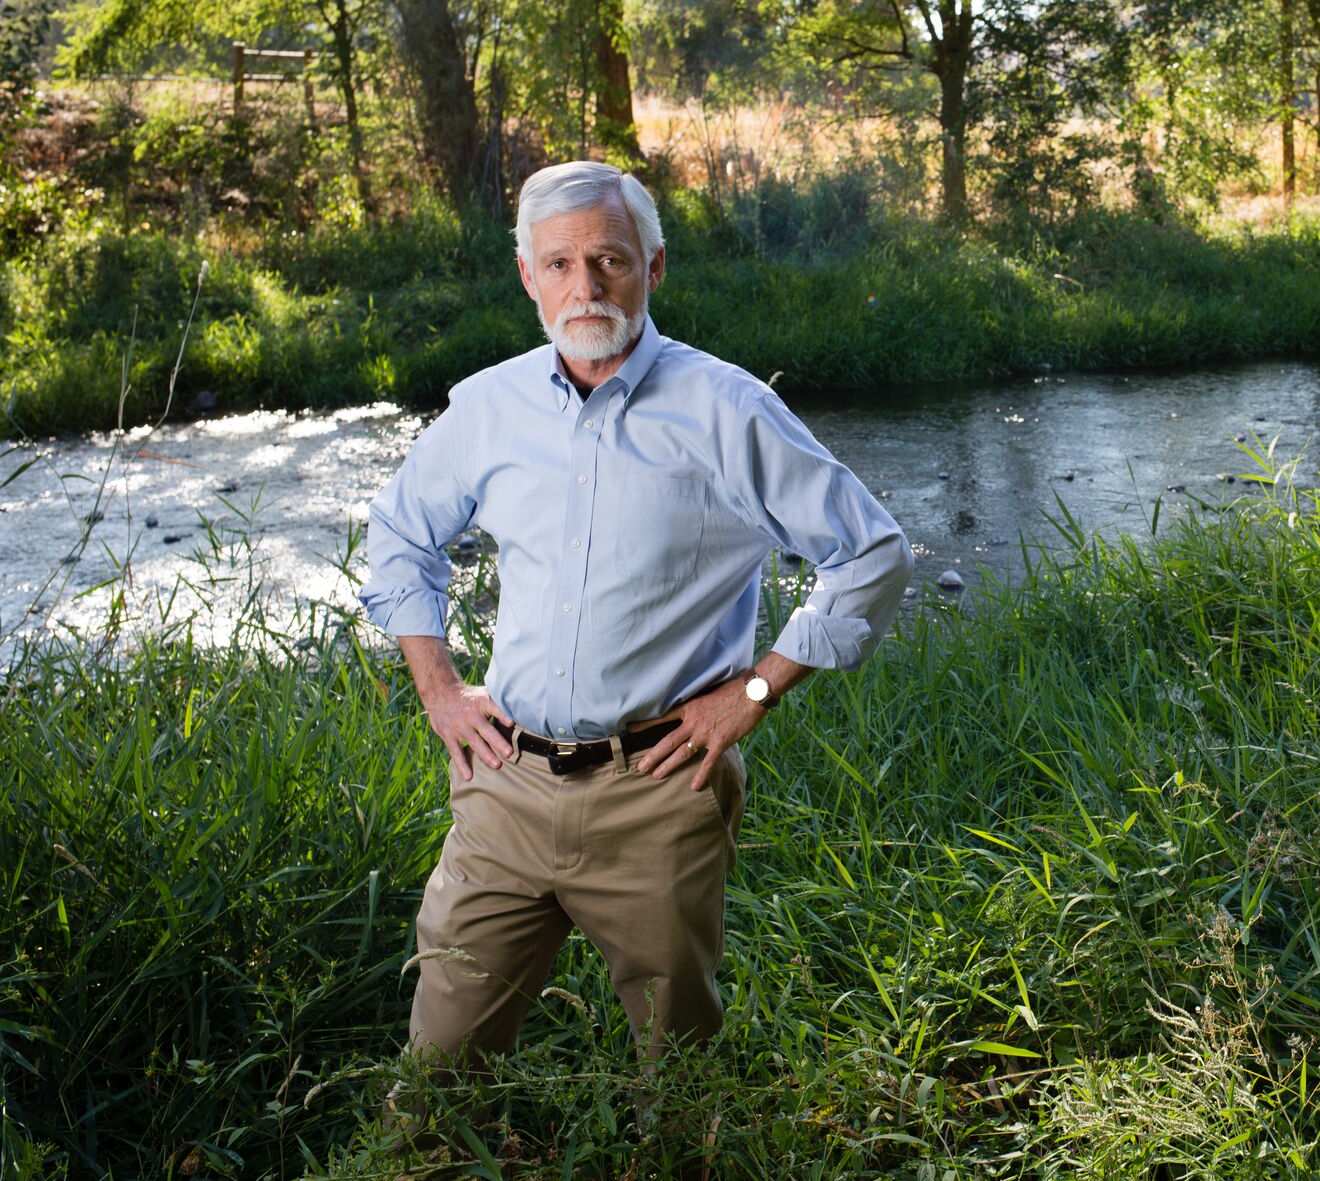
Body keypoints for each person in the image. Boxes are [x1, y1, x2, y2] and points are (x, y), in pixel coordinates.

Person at [358, 160, 913, 1080]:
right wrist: (441, 689)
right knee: (437, 1071)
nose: (587, 287)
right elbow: (398, 533)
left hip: (658, 790)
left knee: (679, 1074)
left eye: (610, 260)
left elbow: (871, 553)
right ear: (529, 276)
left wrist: (754, 692)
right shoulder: (487, 409)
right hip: (503, 789)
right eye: (562, 263)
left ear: (653, 269)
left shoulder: (726, 408)